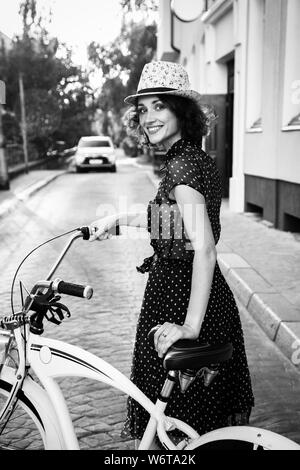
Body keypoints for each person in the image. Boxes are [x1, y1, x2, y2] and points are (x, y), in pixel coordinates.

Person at [89, 61, 254, 448]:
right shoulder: (190, 159)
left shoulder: (181, 168)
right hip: (187, 299)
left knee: (177, 428)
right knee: (189, 431)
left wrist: (190, 327)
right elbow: (171, 224)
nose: (149, 117)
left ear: (182, 110)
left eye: (159, 106)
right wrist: (116, 219)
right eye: (143, 109)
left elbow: (205, 250)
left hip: (185, 306)